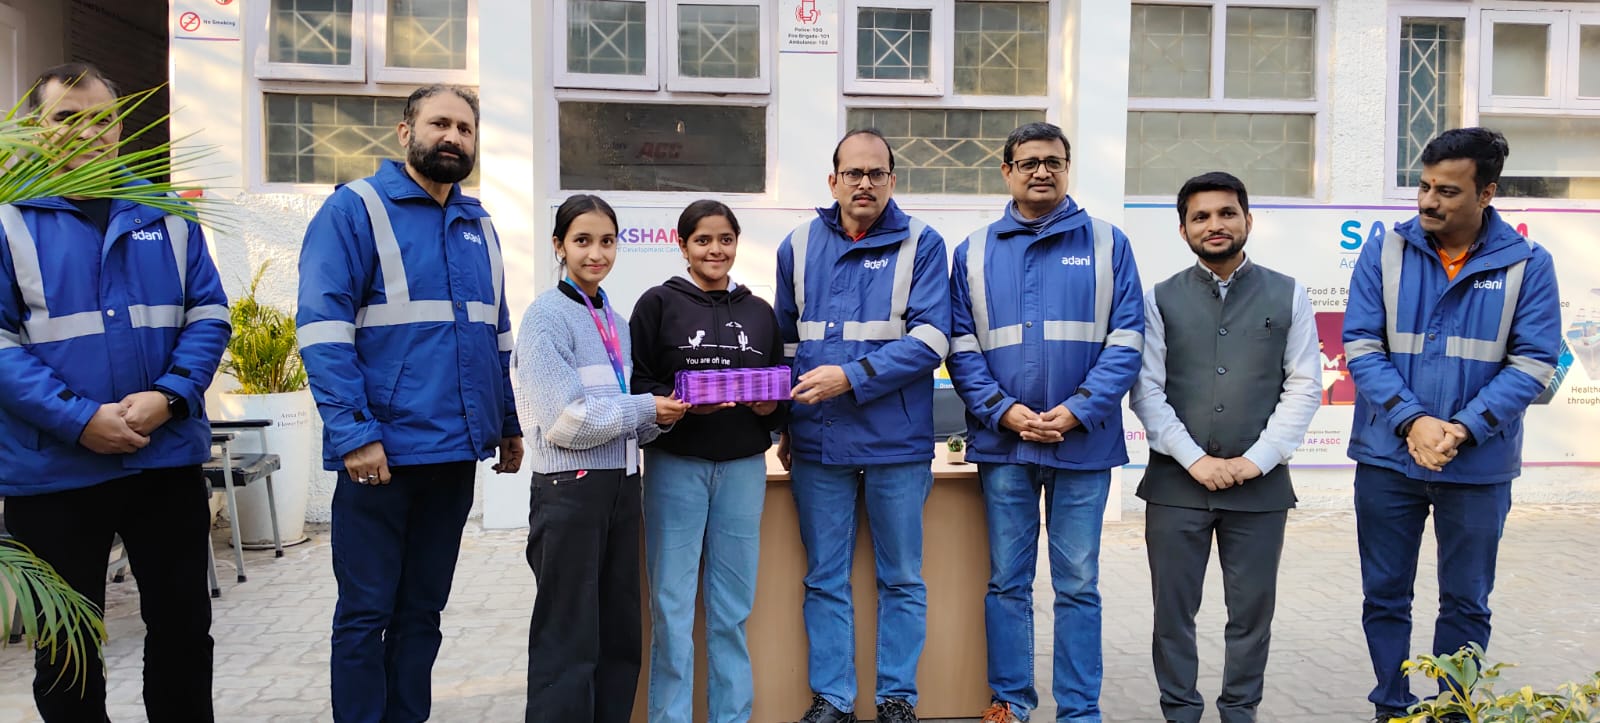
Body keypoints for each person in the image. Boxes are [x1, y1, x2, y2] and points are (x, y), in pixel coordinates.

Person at [0, 62, 228, 722]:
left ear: (122, 127)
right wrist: (78, 420)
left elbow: (209, 313)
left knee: (184, 632)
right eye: (66, 118)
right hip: (54, 470)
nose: (86, 132)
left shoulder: (168, 212)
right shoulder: (8, 219)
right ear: (34, 129)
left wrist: (171, 396)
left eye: (102, 118)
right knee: (67, 648)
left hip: (164, 460)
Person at [296, 84, 523, 723]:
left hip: (452, 455)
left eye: (465, 128)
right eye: (439, 123)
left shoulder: (479, 225)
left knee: (422, 612)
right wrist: (354, 434)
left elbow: (495, 336)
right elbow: (322, 330)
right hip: (382, 456)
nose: (453, 136)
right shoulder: (354, 210)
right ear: (405, 133)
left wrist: (506, 422)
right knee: (365, 613)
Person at [1342, 128, 1560, 722]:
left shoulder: (1527, 264)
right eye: (1424, 186)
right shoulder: (1384, 252)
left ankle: (1452, 711)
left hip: (1478, 463)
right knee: (1385, 594)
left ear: (1486, 193)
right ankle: (1392, 706)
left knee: (1466, 601)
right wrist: (1412, 421)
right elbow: (1361, 346)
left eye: (1447, 191)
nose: (1428, 201)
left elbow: (1534, 363)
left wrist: (1461, 429)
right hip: (1388, 458)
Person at [947, 121, 1144, 723]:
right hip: (1004, 445)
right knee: (1007, 582)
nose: (1042, 171)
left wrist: (1079, 409)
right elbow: (961, 346)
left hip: (1082, 444)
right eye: (1029, 162)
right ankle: (1010, 703)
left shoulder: (1108, 243)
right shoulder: (973, 252)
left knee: (1077, 584)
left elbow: (1127, 339)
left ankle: (1079, 711)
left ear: (1066, 168)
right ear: (1006, 171)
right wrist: (1002, 411)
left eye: (1053, 161)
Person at [1129, 171, 1321, 723]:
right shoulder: (1159, 298)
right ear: (1183, 229)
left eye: (1226, 213)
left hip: (1260, 490)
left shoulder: (1288, 293)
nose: (1215, 224)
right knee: (1172, 615)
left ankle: (1240, 711)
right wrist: (1195, 459)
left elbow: (1304, 384)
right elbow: (1146, 389)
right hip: (1175, 485)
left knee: (1251, 616)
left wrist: (1255, 461)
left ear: (1247, 220)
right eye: (1201, 217)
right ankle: (1179, 712)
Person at [775, 128, 952, 723]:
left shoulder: (923, 243)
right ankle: (834, 699)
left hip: (895, 443)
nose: (865, 183)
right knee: (824, 577)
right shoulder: (798, 244)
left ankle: (897, 699)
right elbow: (784, 344)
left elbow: (932, 339)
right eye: (853, 173)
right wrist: (784, 425)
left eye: (876, 173)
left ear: (892, 180)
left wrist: (850, 377)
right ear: (833, 181)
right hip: (818, 439)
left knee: (901, 578)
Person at [517, 194, 690, 722]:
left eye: (607, 241)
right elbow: (566, 421)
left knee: (619, 633)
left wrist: (663, 417)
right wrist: (645, 408)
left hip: (620, 486)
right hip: (569, 489)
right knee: (568, 635)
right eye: (582, 241)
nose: (596, 253)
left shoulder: (614, 320)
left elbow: (621, 419)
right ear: (559, 246)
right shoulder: (546, 317)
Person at [630, 200, 786, 723]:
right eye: (702, 240)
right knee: (671, 606)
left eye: (725, 239)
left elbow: (777, 387)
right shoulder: (657, 304)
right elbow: (640, 382)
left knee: (732, 608)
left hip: (743, 469)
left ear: (736, 243)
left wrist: (770, 408)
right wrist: (674, 405)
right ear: (682, 245)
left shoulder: (759, 311)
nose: (715, 250)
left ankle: (731, 716)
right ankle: (670, 717)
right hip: (676, 465)